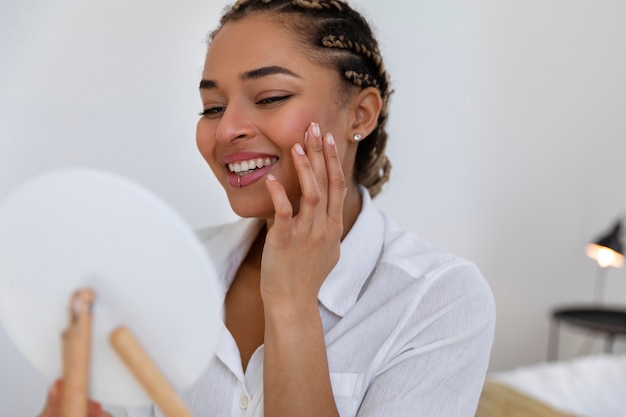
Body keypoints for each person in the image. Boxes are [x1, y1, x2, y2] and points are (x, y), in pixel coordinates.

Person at [39, 0, 495, 416]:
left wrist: (293, 307)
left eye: (270, 98)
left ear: (361, 115)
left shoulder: (437, 299)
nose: (225, 131)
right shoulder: (173, 268)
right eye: (212, 107)